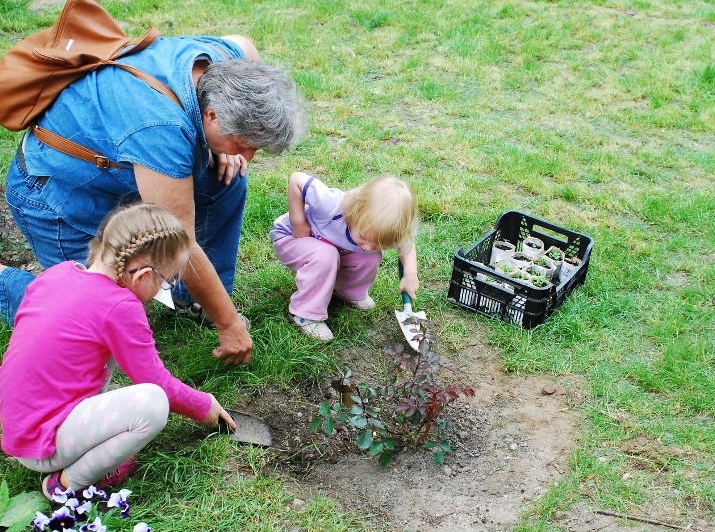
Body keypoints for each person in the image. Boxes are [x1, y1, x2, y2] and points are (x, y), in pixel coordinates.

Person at [0, 33, 306, 365]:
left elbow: (246, 43)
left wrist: (230, 149)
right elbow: (180, 242)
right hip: (56, 194)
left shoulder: (229, 59)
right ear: (213, 115)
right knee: (95, 309)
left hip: (121, 168)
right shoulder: (161, 129)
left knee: (227, 180)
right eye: (243, 143)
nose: (250, 155)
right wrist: (229, 324)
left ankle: (193, 298)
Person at [0, 203, 237, 500]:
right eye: (168, 281)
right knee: (152, 404)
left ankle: (80, 444)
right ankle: (65, 483)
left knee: (105, 355)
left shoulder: (60, 273)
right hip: (45, 442)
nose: (165, 287)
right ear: (143, 276)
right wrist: (203, 406)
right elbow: (157, 383)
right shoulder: (120, 307)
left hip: (20, 422)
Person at [270, 172, 419, 340]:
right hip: (291, 238)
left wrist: (410, 273)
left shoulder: (383, 231)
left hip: (329, 247)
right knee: (326, 255)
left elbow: (407, 244)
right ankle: (305, 313)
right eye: (364, 237)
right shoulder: (330, 204)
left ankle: (347, 291)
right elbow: (297, 180)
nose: (368, 246)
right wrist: (298, 222)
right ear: (355, 211)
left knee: (370, 257)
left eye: (377, 243)